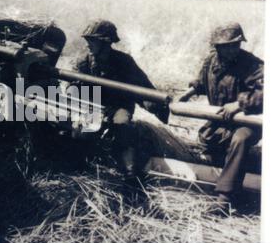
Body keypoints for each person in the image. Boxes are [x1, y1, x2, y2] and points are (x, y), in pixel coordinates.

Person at [177, 22, 263, 211]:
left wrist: (240, 104)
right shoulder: (210, 62)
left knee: (240, 140)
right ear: (217, 47)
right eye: (227, 46)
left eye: (236, 44)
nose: (233, 49)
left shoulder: (252, 65)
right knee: (209, 143)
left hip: (247, 121)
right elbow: (202, 81)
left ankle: (225, 199)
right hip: (219, 120)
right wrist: (190, 91)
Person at [71, 20, 169, 178]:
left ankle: (129, 172)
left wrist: (157, 106)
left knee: (122, 127)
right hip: (93, 105)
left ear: (106, 42)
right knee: (81, 131)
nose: (88, 45)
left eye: (92, 41)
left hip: (119, 106)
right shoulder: (84, 62)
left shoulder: (124, 62)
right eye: (87, 41)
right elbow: (74, 88)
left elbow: (142, 86)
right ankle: (84, 169)